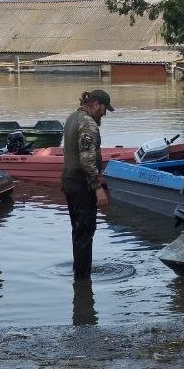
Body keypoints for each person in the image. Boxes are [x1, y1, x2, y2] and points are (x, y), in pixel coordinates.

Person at [61, 89, 114, 281]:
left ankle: (79, 277)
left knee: (78, 230)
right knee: (85, 231)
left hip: (68, 181)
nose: (104, 113)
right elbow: (87, 161)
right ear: (96, 104)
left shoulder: (71, 118)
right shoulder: (89, 124)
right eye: (104, 109)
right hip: (82, 185)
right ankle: (83, 280)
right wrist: (98, 187)